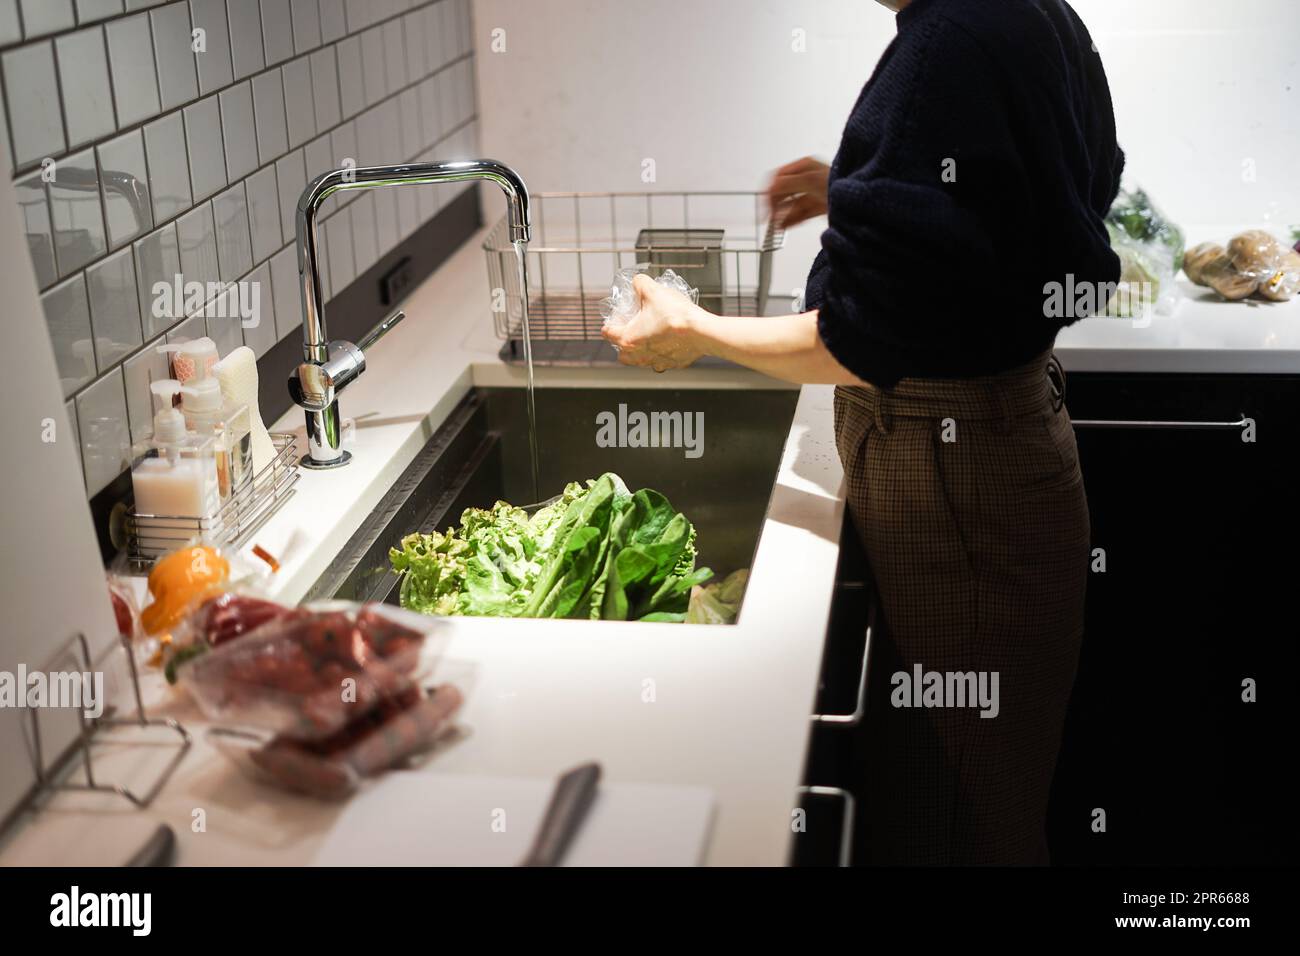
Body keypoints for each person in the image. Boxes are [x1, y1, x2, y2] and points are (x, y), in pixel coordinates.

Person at [602, 0, 1124, 865]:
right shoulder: (1022, 12)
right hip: (1011, 444)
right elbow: (1049, 192)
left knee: (952, 820)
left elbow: (860, 341)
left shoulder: (942, 42)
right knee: (990, 797)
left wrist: (696, 332)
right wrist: (869, 185)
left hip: (956, 476)